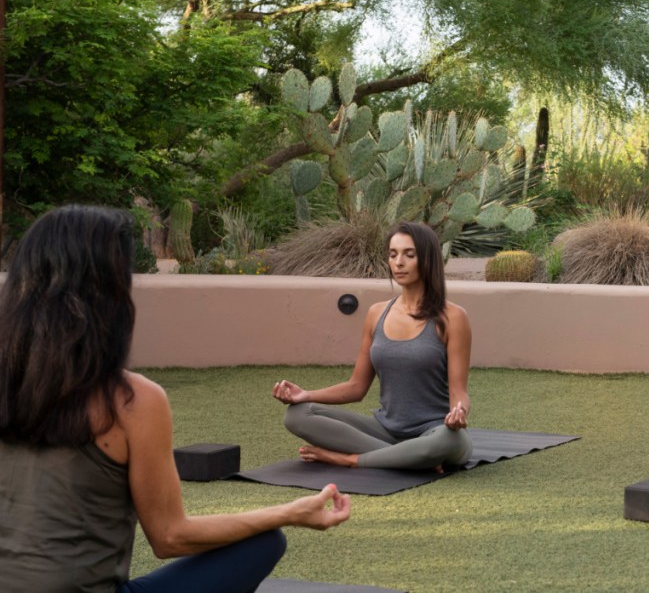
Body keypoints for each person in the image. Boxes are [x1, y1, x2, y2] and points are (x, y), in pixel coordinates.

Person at [0, 205, 352, 593]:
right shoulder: (132, 401)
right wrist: (291, 512)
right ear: (107, 291)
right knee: (263, 541)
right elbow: (170, 537)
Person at [273, 221, 473, 471]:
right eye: (392, 254)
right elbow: (356, 387)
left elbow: (459, 391)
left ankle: (352, 459)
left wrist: (459, 412)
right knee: (298, 415)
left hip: (436, 431)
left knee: (446, 441)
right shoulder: (376, 313)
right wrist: (306, 395)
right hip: (383, 431)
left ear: (427, 259)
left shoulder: (453, 317)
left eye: (409, 255)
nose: (398, 262)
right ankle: (409, 458)